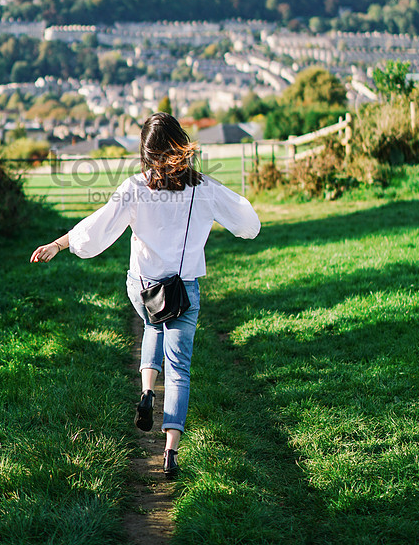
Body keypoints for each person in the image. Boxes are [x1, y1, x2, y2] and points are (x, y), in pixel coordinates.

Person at [30, 113, 260, 478]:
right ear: (180, 144)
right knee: (180, 368)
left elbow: (97, 227)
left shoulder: (134, 188)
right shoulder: (204, 188)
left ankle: (147, 392)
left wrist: (60, 244)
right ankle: (170, 452)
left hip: (143, 286)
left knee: (153, 325)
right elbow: (249, 225)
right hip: (182, 289)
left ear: (146, 153)